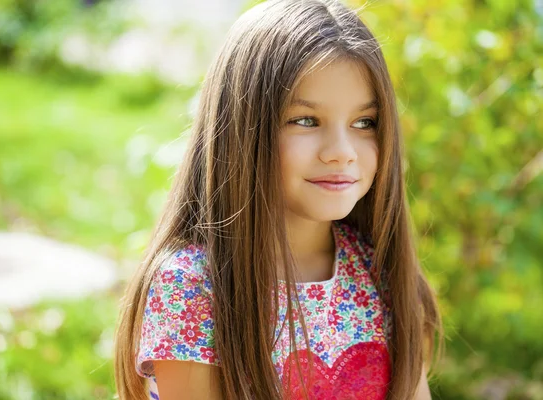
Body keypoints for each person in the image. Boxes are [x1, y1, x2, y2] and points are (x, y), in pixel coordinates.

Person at [114, 0, 444, 398]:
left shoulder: (378, 270)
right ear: (242, 130)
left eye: (364, 122)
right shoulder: (195, 287)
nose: (342, 151)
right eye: (306, 120)